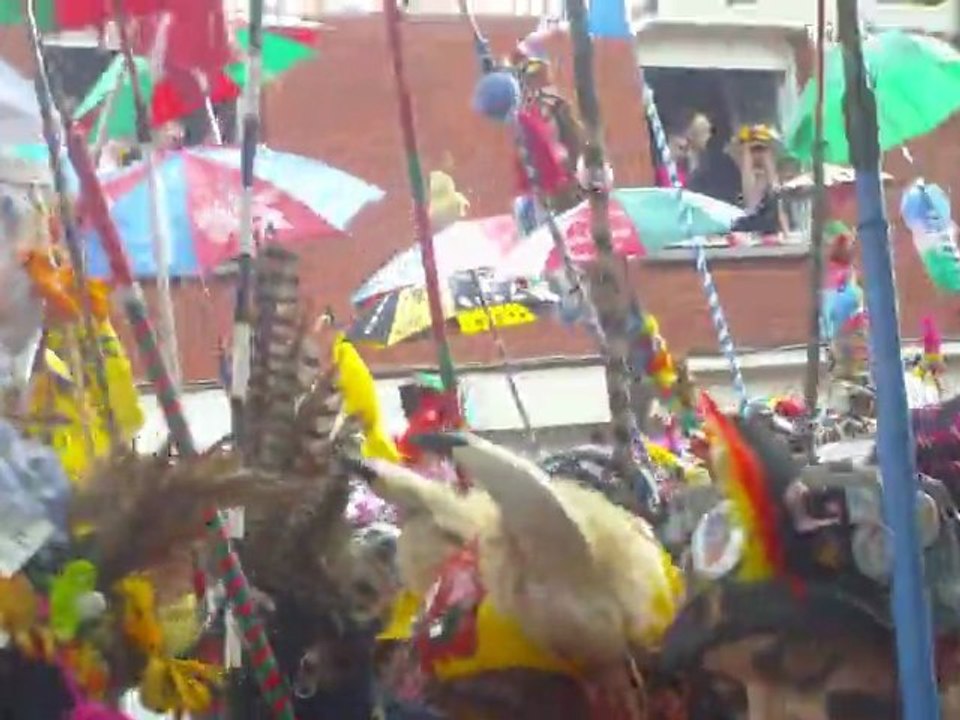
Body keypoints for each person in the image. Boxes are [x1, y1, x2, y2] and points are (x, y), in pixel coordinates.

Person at [732, 124, 787, 235]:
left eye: (761, 149)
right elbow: (750, 204)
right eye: (753, 150)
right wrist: (746, 160)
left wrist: (769, 167)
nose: (757, 154)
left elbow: (780, 213)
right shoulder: (732, 177)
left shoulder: (782, 178)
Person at [685, 113, 741, 206]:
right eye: (702, 131)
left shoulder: (719, 164)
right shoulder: (676, 161)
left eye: (708, 131)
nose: (708, 136)